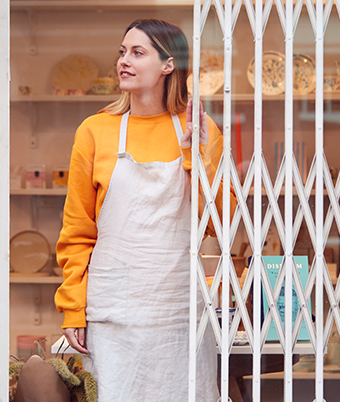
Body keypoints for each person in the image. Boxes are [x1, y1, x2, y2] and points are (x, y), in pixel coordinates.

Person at [54, 19, 224, 401]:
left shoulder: (200, 128)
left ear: (168, 65)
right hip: (113, 314)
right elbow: (77, 232)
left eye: (137, 52)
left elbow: (220, 223)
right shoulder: (95, 131)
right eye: (121, 52)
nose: (123, 62)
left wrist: (196, 157)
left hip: (178, 313)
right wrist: (72, 308)